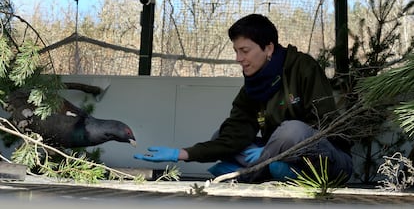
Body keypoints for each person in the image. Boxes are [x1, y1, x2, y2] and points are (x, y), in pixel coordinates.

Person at [134, 14, 353, 183]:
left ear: (268, 48)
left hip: (325, 159)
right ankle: (274, 170)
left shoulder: (303, 67)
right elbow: (232, 136)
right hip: (280, 154)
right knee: (221, 135)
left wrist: (279, 149)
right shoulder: (252, 87)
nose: (239, 59)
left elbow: (327, 127)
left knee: (292, 130)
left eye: (244, 51)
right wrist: (181, 154)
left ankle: (256, 170)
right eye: (236, 51)